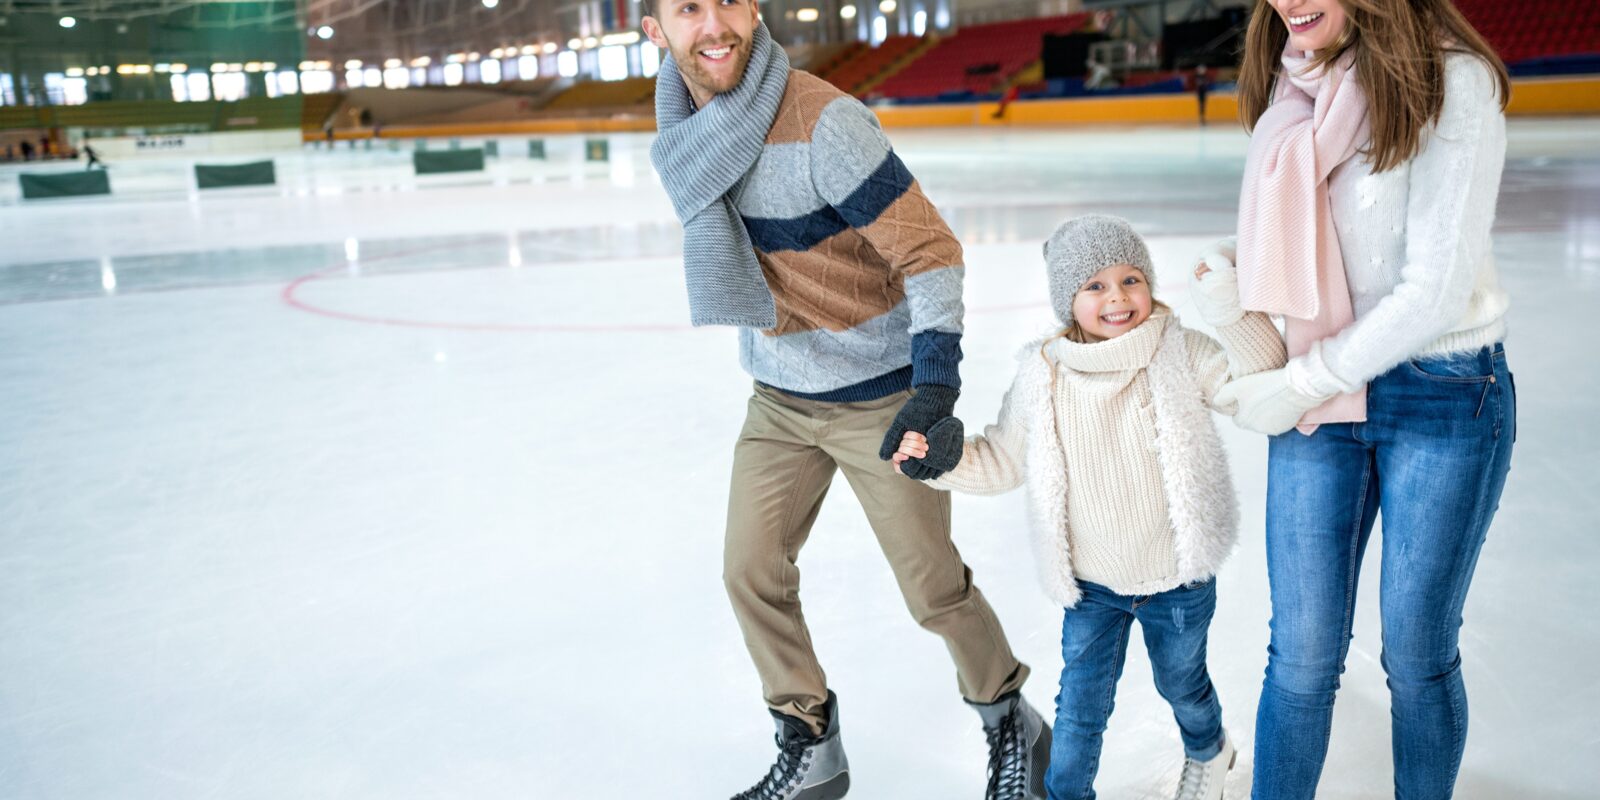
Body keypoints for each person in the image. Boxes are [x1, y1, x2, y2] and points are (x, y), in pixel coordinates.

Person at [641, 1, 1049, 798]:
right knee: (748, 569)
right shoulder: (687, 139)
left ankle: (1012, 722)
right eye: (687, 7)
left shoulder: (825, 122)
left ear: (753, 10)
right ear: (657, 31)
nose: (712, 24)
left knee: (932, 588)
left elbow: (930, 251)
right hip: (780, 399)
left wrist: (933, 383)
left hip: (879, 397)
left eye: (727, 0)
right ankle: (811, 741)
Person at [1217, 1, 1514, 797]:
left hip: (1442, 393)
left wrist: (1300, 383)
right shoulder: (1297, 88)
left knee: (1417, 654)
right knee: (1303, 654)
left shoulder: (1454, 81)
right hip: (1325, 396)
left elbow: (1435, 290)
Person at [896, 215, 1287, 800]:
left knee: (1182, 684)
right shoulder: (1043, 374)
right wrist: (937, 462)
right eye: (1095, 286)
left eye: (1131, 279)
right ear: (1067, 300)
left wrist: (1232, 309)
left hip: (1176, 579)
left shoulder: (1179, 349)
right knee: (1079, 713)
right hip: (1091, 585)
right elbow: (1003, 460)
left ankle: (1209, 749)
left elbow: (1257, 381)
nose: (1118, 297)